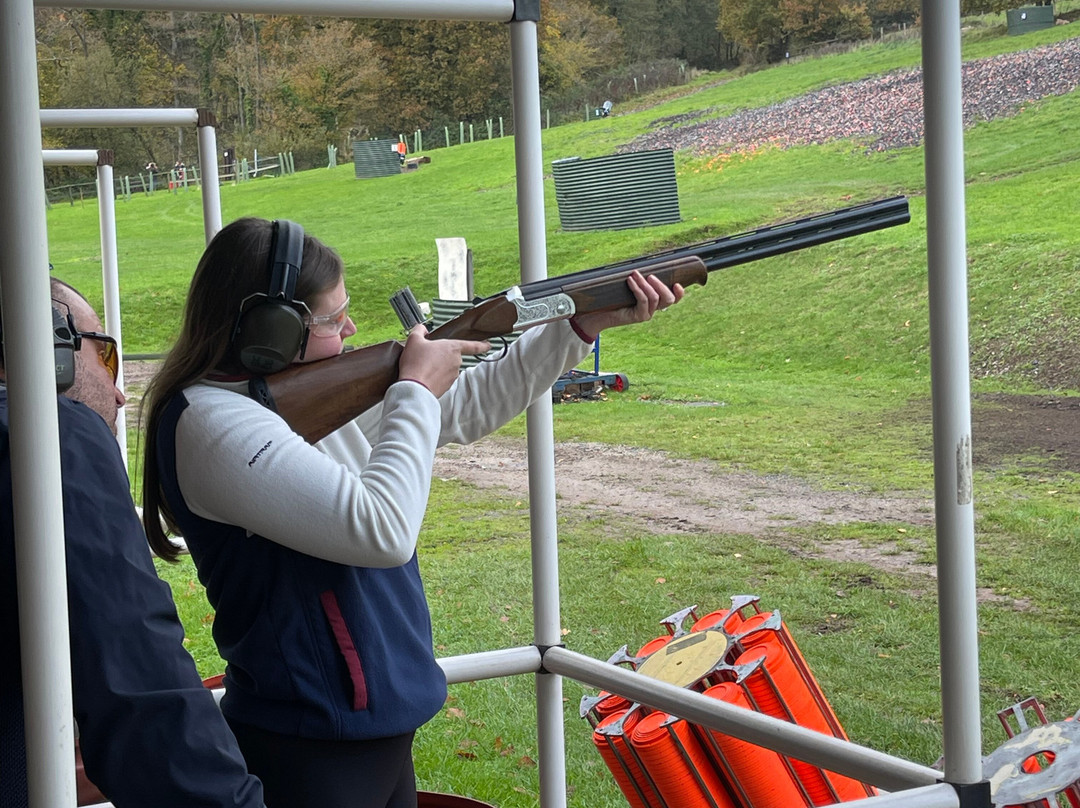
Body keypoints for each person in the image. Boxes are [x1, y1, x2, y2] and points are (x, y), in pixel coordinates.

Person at [140, 217, 683, 808]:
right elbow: (382, 529)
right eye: (330, 319)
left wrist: (577, 327)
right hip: (312, 736)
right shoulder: (211, 421)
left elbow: (465, 410)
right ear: (271, 329)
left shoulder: (289, 391)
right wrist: (415, 391)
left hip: (371, 723)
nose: (349, 329)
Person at [0, 277, 265, 808]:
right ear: (51, 344)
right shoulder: (48, 438)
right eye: (106, 356)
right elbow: (143, 693)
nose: (120, 393)